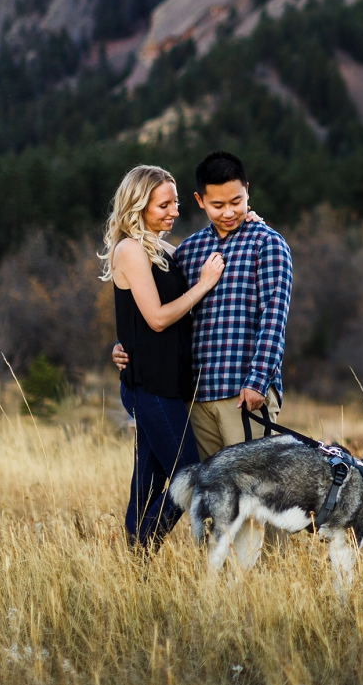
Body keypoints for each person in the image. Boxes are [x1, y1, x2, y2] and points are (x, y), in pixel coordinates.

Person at [114, 151, 293, 459]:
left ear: (247, 191)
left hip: (242, 393)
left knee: (252, 490)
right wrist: (123, 344)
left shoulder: (267, 244)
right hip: (194, 395)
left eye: (236, 202)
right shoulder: (187, 251)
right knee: (204, 493)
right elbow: (161, 308)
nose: (228, 213)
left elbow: (273, 319)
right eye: (218, 205)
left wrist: (258, 381)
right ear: (200, 200)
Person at [102, 165, 225, 549]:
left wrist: (247, 218)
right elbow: (155, 318)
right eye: (163, 204)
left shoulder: (163, 249)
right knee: (192, 477)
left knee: (149, 482)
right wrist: (203, 286)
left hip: (169, 384)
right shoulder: (130, 250)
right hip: (149, 386)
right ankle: (144, 546)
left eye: (174, 203)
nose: (173, 211)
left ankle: (135, 568)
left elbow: (211, 242)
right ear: (138, 206)